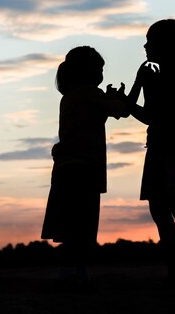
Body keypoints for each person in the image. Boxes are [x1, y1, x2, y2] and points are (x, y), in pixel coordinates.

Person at [125, 18, 175, 288]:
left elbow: (149, 115)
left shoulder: (168, 74)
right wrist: (136, 85)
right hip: (166, 150)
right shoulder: (166, 72)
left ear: (163, 45)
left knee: (174, 212)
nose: (145, 46)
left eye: (150, 41)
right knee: (170, 212)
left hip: (167, 152)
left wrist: (131, 93)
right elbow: (138, 109)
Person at [41, 46, 128, 286]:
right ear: (89, 71)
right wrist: (121, 96)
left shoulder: (68, 97)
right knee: (85, 225)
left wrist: (107, 98)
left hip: (64, 168)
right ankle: (81, 273)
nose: (101, 74)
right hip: (85, 168)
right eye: (99, 69)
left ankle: (67, 273)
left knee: (69, 225)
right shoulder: (92, 93)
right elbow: (121, 111)